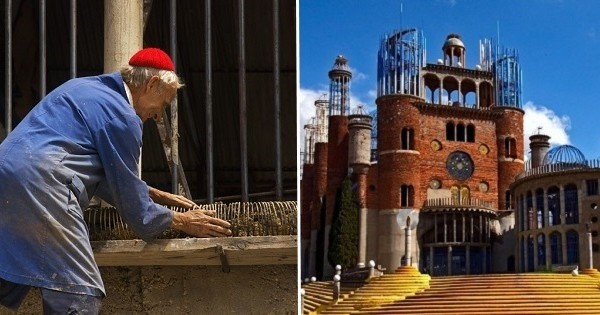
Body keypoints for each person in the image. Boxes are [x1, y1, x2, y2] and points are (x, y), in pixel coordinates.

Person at [0, 47, 232, 313]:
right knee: (79, 289)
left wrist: (152, 192)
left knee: (8, 269)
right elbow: (134, 207)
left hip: (8, 174)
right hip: (43, 183)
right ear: (151, 84)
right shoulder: (123, 117)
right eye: (163, 105)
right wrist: (180, 220)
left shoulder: (81, 87)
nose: (158, 115)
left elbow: (93, 167)